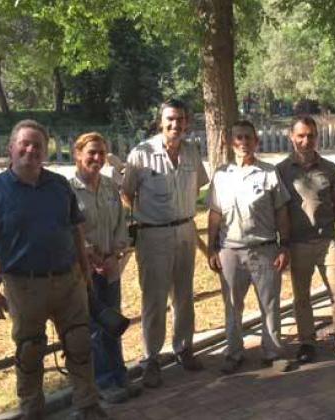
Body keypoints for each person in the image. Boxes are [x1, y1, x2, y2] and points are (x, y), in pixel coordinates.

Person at [0, 120, 107, 419]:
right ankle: (33, 410)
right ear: (11, 148)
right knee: (30, 352)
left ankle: (88, 405)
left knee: (80, 344)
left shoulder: (58, 185)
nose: (31, 149)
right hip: (24, 286)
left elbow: (75, 232)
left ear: (45, 151)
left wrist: (84, 274)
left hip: (68, 280)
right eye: (24, 143)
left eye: (38, 145)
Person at [121, 100, 209, 387]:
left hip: (185, 230)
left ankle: (184, 348)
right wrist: (147, 216)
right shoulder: (142, 154)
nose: (176, 125)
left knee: (184, 295)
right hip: (153, 234)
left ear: (187, 122)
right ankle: (151, 359)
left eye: (181, 119)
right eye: (170, 119)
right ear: (161, 121)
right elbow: (127, 194)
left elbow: (197, 187)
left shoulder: (192, 152)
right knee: (154, 299)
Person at [276, 116, 335, 370]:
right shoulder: (282, 171)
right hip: (298, 243)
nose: (306, 141)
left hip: (327, 241)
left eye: (311, 136)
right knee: (301, 297)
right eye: (301, 136)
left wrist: (327, 222)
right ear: (291, 137)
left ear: (317, 137)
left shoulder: (329, 168)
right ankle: (307, 342)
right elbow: (279, 209)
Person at [207, 120, 293, 375]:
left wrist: (284, 246)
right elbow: (214, 213)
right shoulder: (221, 175)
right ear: (230, 143)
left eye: (247, 138)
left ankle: (273, 352)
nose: (243, 143)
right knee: (232, 305)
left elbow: (282, 211)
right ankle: (233, 352)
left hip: (264, 249)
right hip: (230, 251)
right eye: (238, 138)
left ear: (256, 142)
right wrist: (212, 248)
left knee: (269, 303)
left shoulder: (268, 172)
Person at [69, 132, 140, 403]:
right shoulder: (68, 190)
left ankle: (120, 375)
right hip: (84, 272)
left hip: (110, 267)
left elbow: (121, 223)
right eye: (91, 153)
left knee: (114, 322)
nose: (97, 158)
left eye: (101, 153)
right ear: (78, 154)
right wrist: (89, 256)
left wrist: (116, 253)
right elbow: (68, 229)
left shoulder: (111, 187)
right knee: (94, 328)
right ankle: (103, 383)